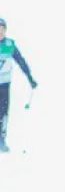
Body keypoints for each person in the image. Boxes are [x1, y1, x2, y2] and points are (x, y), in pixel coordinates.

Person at [0, 18, 38, 153]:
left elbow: (21, 62)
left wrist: (30, 78)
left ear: (5, 30)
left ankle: (1, 140)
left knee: (3, 113)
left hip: (4, 85)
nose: (0, 32)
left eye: (2, 29)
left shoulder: (10, 45)